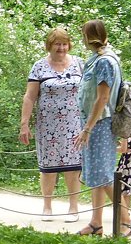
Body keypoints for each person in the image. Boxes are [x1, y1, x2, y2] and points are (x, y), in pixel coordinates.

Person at [73, 19, 131, 237]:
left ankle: (126, 221)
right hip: (93, 121)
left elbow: (103, 98)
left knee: (103, 175)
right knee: (95, 175)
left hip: (99, 123)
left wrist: (87, 128)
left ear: (88, 36)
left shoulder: (105, 61)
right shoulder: (97, 59)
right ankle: (96, 223)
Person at [19, 27, 83, 222]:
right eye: (57, 44)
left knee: (73, 166)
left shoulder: (80, 64)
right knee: (48, 166)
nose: (61, 48)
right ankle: (47, 206)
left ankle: (73, 208)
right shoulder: (39, 66)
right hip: (48, 125)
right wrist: (24, 124)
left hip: (75, 124)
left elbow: (92, 92)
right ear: (49, 45)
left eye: (64, 44)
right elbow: (30, 97)